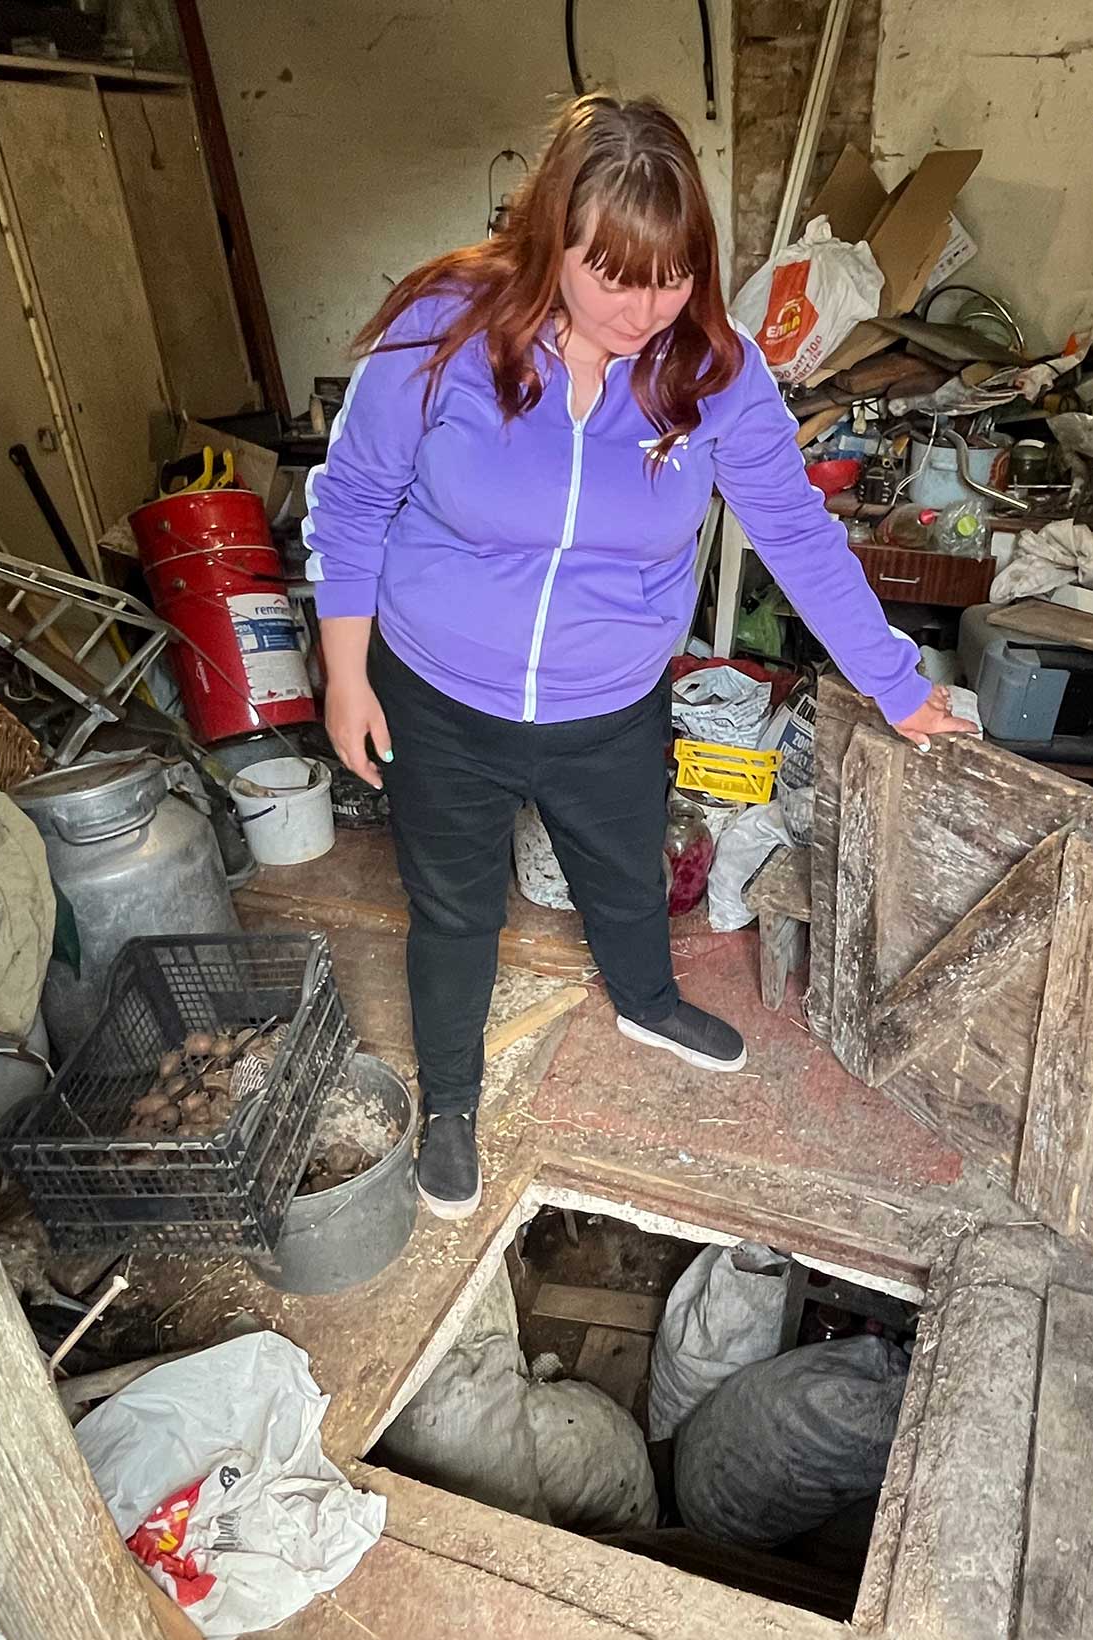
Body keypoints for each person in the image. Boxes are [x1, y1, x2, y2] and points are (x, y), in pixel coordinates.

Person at [303, 94, 972, 1221]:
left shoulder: (713, 369)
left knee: (624, 870)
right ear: (549, 242)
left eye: (669, 276)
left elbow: (798, 533)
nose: (643, 307)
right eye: (611, 274)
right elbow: (355, 499)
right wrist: (346, 671)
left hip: (608, 700)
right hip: (441, 691)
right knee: (454, 906)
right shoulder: (445, 331)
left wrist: (896, 685)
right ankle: (456, 1100)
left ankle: (647, 999)